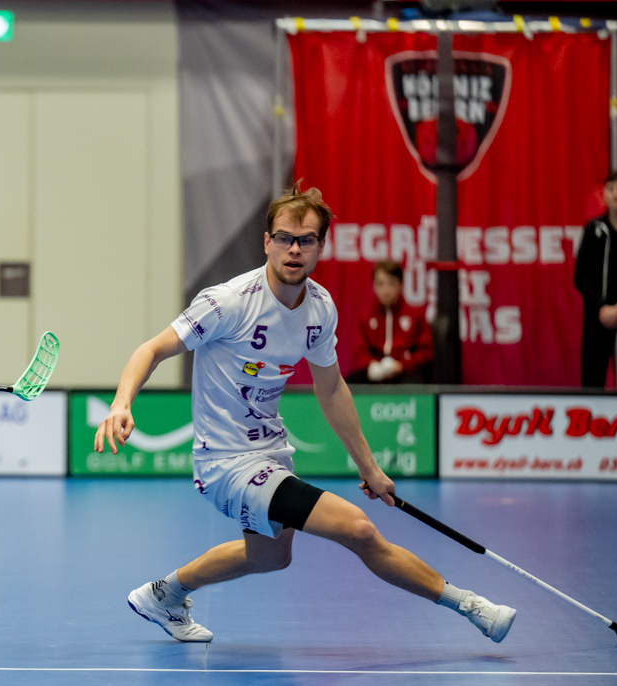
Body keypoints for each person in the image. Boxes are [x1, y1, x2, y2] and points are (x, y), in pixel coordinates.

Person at [95, 182, 516, 645]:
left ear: (321, 246)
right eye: (284, 238)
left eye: (306, 239)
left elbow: (331, 388)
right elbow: (152, 348)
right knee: (358, 529)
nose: (294, 249)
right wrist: (121, 403)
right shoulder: (228, 302)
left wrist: (369, 467)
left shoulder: (319, 308)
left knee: (271, 557)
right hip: (225, 463)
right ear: (267, 242)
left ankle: (164, 594)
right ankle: (472, 606)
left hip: (272, 453)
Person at [575, 170, 617, 389]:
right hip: (599, 314)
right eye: (610, 189)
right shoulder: (593, 228)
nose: (615, 194)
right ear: (604, 194)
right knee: (592, 377)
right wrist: (602, 306)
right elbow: (580, 275)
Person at [346, 261, 433, 384]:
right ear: (373, 286)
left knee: (414, 384)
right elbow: (360, 350)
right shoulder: (366, 316)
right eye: (380, 284)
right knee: (349, 383)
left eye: (391, 284)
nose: (385, 290)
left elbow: (426, 352)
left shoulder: (415, 314)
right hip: (374, 372)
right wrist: (371, 364)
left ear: (401, 286)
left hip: (404, 371)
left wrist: (402, 365)